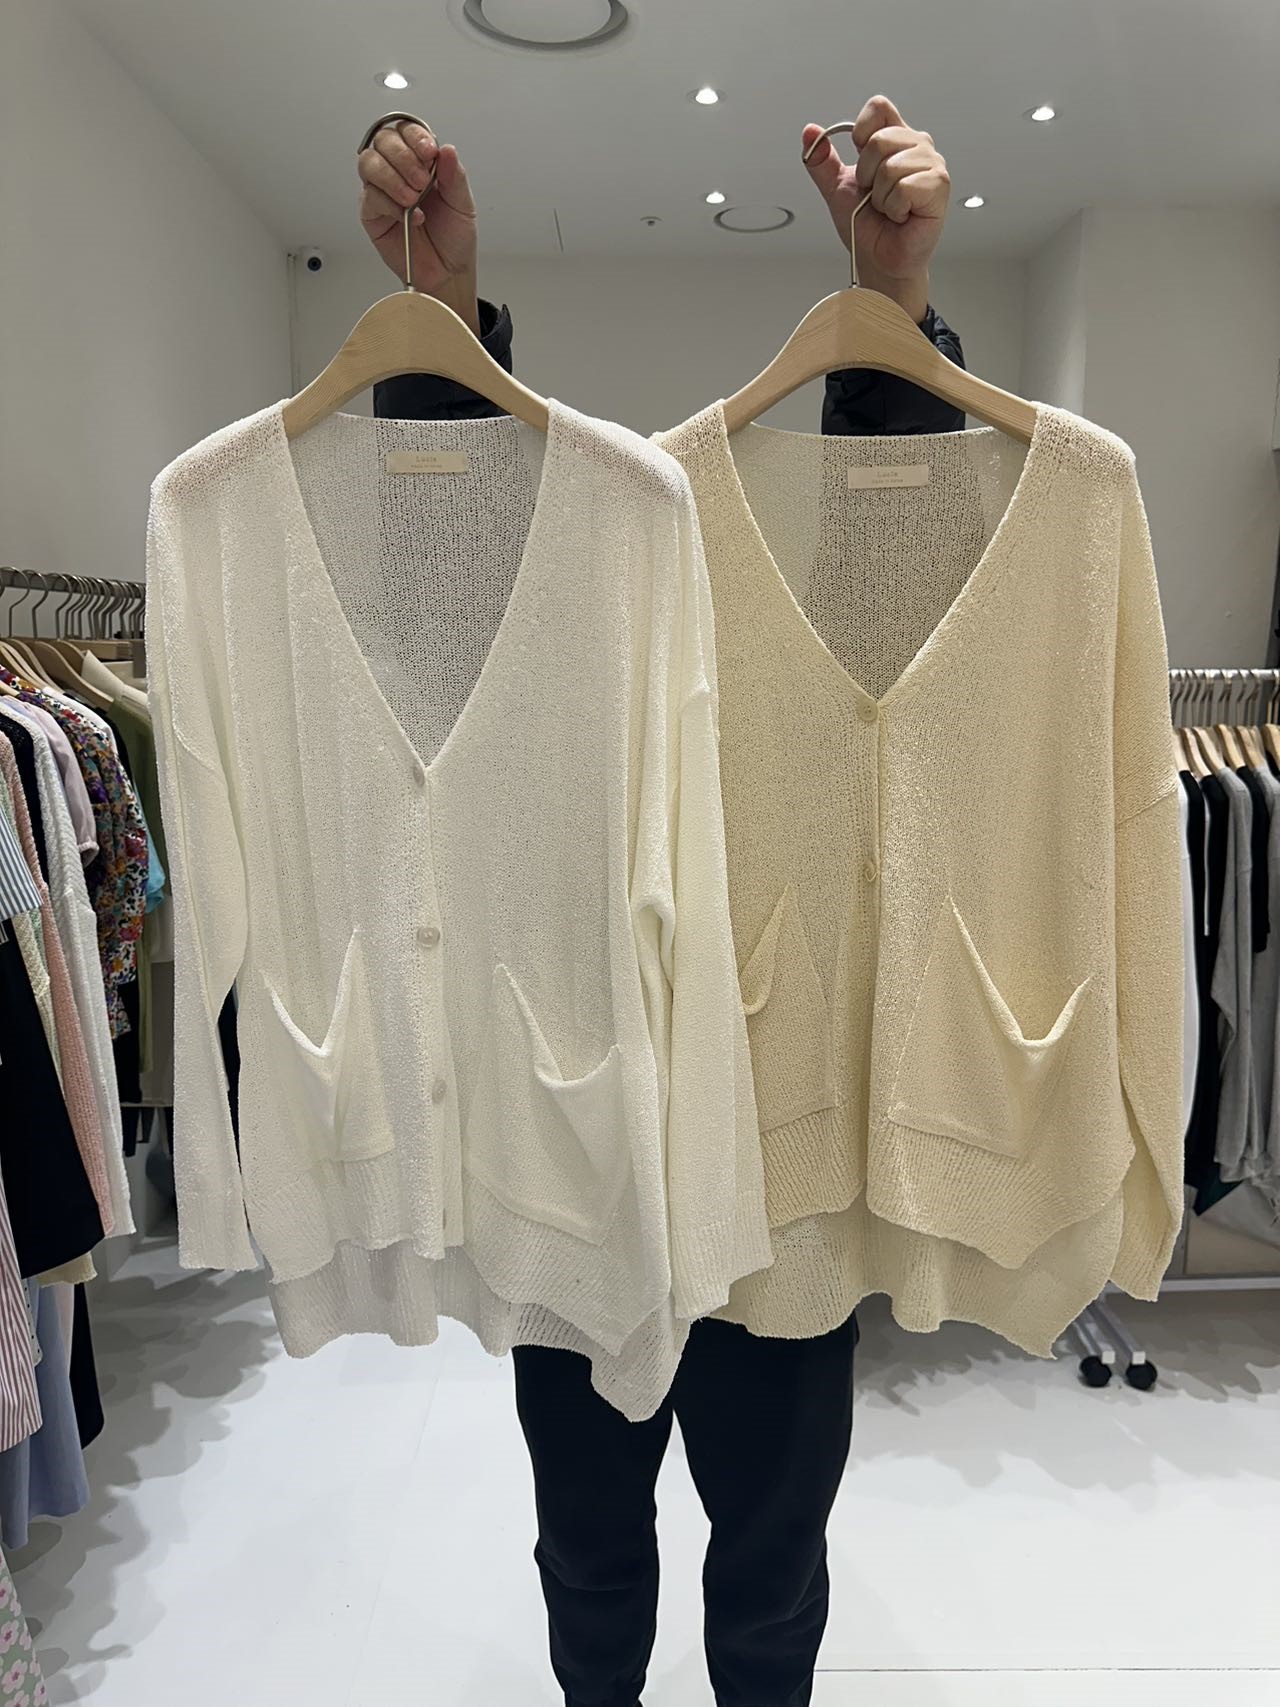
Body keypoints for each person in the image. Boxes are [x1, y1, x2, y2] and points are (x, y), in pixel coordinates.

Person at [356, 95, 964, 1707]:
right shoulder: (535, 639)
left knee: (769, 1571)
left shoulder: (819, 648)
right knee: (589, 1551)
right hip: (582, 1167)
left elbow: (894, 586)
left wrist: (889, 314)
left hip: (780, 1173)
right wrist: (436, 316)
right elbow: (444, 593)